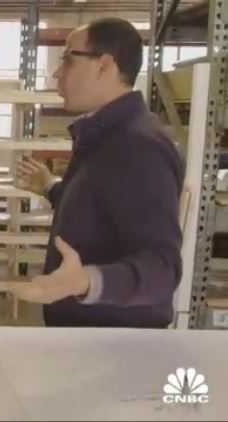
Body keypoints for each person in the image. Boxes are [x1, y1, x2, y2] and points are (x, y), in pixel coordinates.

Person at [12, 18, 184, 328]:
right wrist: (50, 187)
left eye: (68, 60)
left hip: (114, 341)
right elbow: (102, 208)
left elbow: (162, 268)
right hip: (90, 334)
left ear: (104, 65)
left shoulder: (139, 145)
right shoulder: (105, 135)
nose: (57, 72)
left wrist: (86, 281)